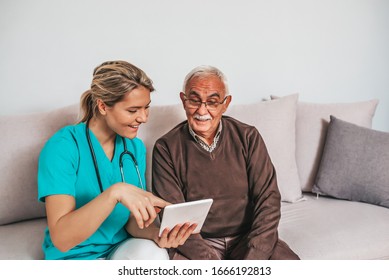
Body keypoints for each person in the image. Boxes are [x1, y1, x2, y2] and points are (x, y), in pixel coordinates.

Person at [37, 60, 196, 260]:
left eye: (146, 108)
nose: (144, 118)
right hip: (74, 256)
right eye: (133, 110)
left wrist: (156, 234)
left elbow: (130, 219)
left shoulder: (134, 147)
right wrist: (115, 193)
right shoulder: (63, 148)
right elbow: (61, 238)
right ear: (103, 106)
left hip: (119, 248)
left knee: (154, 255)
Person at [152, 65, 300, 260]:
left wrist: (253, 258)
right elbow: (175, 218)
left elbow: (269, 201)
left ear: (226, 103)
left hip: (248, 238)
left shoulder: (248, 137)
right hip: (197, 243)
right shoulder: (166, 147)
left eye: (212, 102)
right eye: (194, 100)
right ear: (183, 100)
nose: (202, 110)